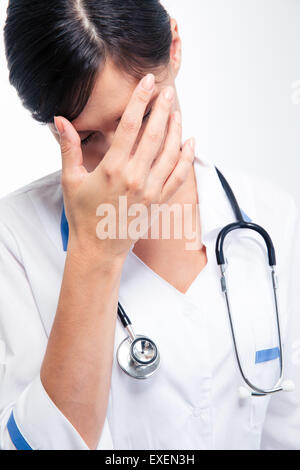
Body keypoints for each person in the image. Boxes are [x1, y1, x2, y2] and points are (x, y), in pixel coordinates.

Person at [0, 0, 299, 450]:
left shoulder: (276, 221)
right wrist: (96, 252)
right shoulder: (14, 240)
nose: (121, 164)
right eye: (86, 138)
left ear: (174, 48)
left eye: (133, 120)